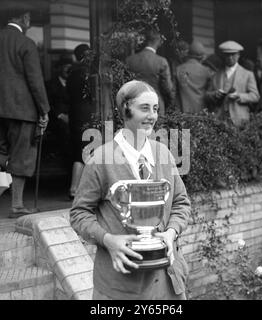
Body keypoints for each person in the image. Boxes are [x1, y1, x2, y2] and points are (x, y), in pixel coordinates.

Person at [70, 80, 191, 300]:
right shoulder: (100, 159)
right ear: (125, 109)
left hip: (167, 282)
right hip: (119, 287)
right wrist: (108, 240)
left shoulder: (164, 154)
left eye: (155, 109)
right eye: (144, 108)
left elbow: (181, 203)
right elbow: (79, 214)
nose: (152, 116)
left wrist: (170, 233)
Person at [0, 9, 50, 219]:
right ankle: (17, 206)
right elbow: (35, 81)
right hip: (22, 110)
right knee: (22, 154)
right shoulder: (26, 44)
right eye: (28, 18)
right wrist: (44, 109)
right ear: (23, 18)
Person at [205, 40, 260, 126]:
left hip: (239, 120)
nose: (230, 57)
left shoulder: (247, 74)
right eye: (227, 55)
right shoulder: (216, 75)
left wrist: (239, 96)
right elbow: (207, 95)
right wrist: (214, 94)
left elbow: (255, 96)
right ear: (223, 55)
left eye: (233, 54)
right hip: (219, 120)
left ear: (238, 55)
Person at [66, 44, 94, 199]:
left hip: (75, 114)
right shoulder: (88, 73)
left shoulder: (71, 73)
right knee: (85, 152)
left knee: (79, 151)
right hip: (87, 114)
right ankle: (75, 188)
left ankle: (75, 188)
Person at [126, 28, 174, 115]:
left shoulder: (130, 60)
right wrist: (170, 101)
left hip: (134, 104)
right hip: (155, 103)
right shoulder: (161, 61)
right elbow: (167, 88)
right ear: (158, 41)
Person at [46, 57, 72, 164]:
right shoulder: (49, 85)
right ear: (59, 68)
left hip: (71, 117)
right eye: (66, 67)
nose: (68, 70)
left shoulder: (73, 83)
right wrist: (60, 116)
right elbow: (48, 104)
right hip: (54, 119)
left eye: (70, 68)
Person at [175, 40, 212, 114]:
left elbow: (173, 91)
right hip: (201, 112)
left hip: (182, 112)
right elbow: (210, 93)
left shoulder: (178, 69)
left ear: (188, 54)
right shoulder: (206, 71)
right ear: (201, 57)